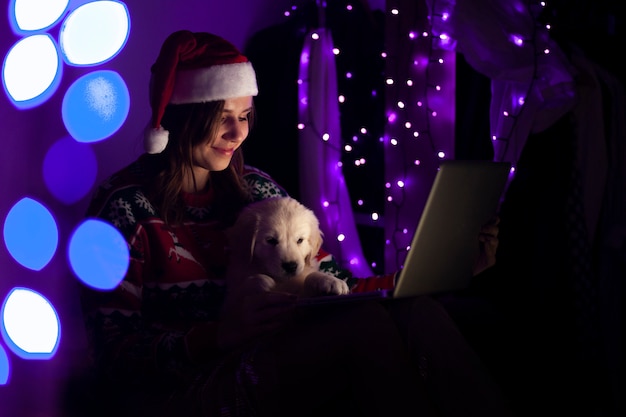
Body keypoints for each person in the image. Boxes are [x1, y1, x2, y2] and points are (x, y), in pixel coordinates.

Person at [76, 30, 513, 417]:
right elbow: (114, 351)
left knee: (419, 312)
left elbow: (334, 283)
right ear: (183, 116)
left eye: (245, 116)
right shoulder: (124, 208)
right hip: (190, 386)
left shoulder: (258, 190)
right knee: (363, 329)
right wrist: (219, 335)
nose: (237, 133)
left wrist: (436, 273)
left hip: (271, 351)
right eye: (221, 118)